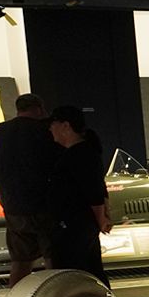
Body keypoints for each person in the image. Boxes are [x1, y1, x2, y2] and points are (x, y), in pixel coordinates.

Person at [0, 92, 56, 286]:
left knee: (21, 261)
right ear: (39, 108)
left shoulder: (1, 130)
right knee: (53, 258)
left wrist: (2, 195)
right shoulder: (46, 129)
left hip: (14, 207)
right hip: (46, 206)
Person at [47, 105, 111, 283]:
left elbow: (94, 191)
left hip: (75, 226)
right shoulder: (83, 152)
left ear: (65, 126)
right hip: (76, 224)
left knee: (76, 272)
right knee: (89, 270)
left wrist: (101, 219)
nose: (50, 129)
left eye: (53, 124)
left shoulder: (80, 154)